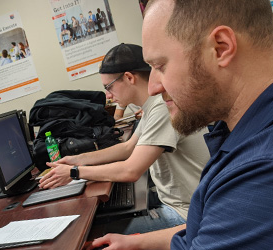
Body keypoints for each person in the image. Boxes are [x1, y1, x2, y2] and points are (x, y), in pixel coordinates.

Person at [90, 0, 273, 249]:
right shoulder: (238, 135)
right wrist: (137, 243)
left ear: (220, 48)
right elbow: (202, 228)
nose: (153, 86)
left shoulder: (258, 172)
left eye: (160, 66)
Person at [40, 43, 210, 237]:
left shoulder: (162, 107)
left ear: (129, 77)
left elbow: (131, 170)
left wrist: (74, 172)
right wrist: (78, 159)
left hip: (186, 215)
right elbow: (128, 148)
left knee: (93, 235)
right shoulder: (151, 105)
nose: (108, 96)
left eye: (108, 87)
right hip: (177, 202)